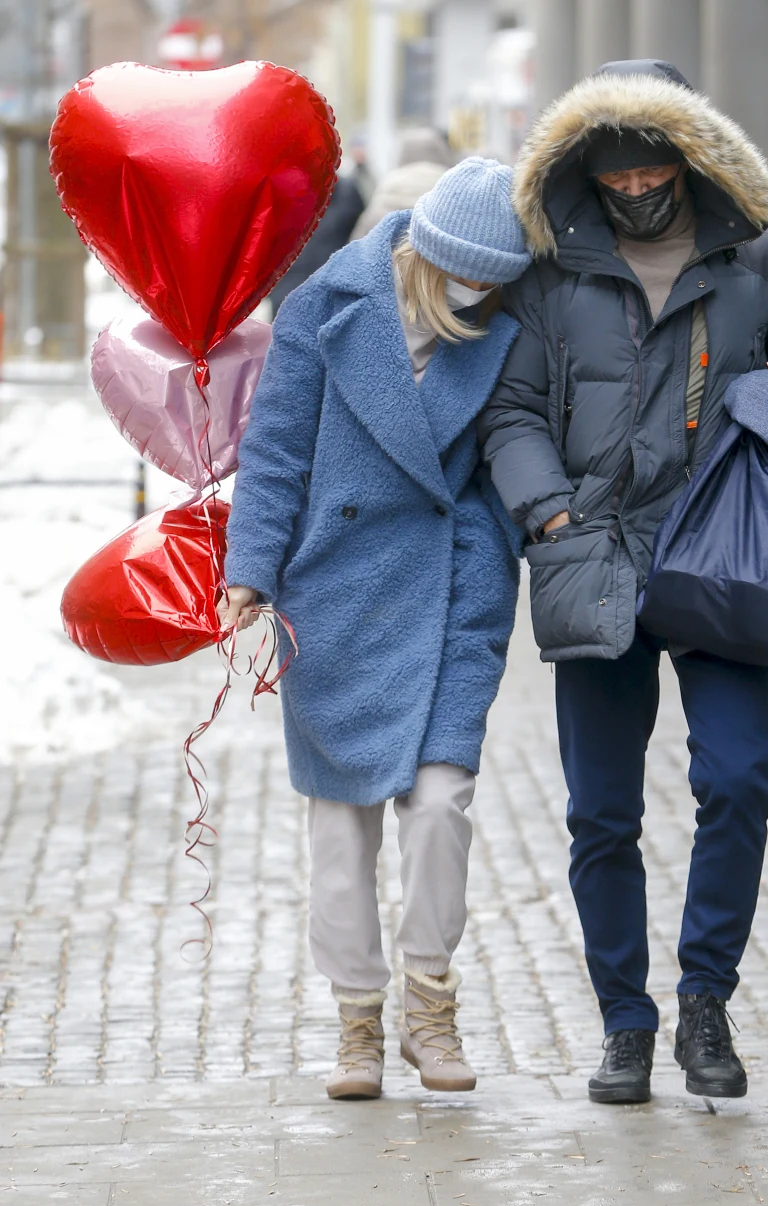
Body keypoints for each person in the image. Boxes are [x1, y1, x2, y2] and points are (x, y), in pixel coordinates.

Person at [479, 60, 768, 1104]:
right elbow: (509, 413)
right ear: (583, 173)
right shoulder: (547, 272)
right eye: (615, 178)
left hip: (723, 557)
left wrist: (762, 448)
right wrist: (548, 511)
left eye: (655, 171)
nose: (637, 192)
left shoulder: (765, 258)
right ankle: (624, 1024)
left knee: (735, 780)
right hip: (593, 559)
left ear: (690, 156)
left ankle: (705, 1003)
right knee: (601, 812)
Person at [220, 157, 531, 1100]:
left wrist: (493, 561)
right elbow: (274, 449)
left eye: (496, 281)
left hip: (450, 599)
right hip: (337, 600)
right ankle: (358, 1022)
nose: (478, 293)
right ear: (429, 254)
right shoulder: (328, 304)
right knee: (340, 828)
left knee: (442, 807)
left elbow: (497, 465)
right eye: (467, 275)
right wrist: (250, 570)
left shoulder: (503, 324)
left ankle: (430, 1003)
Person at [269, 173, 365, 312]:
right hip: (289, 297)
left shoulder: (346, 191)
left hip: (330, 296)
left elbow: (359, 243)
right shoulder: (278, 191)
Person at [350, 127, 454, 241]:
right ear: (443, 154)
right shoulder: (453, 193)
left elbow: (355, 248)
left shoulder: (386, 191)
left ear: (400, 156)